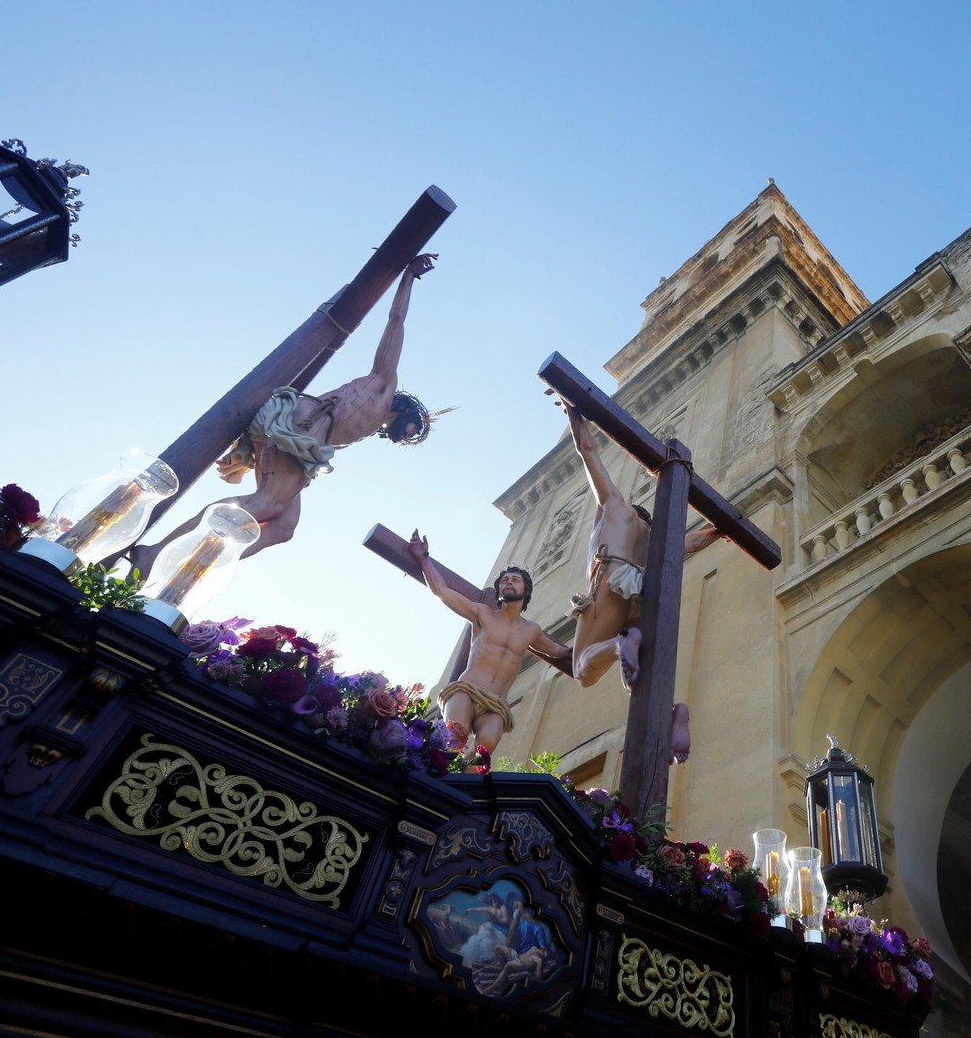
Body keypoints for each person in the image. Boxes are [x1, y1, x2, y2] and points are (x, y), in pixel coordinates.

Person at [129, 253, 441, 577]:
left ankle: (197, 568)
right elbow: (396, 319)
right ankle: (155, 553)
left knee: (284, 527)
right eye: (414, 428)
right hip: (300, 425)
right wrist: (409, 276)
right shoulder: (383, 382)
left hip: (303, 445)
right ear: (407, 412)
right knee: (265, 505)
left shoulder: (373, 423)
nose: (408, 436)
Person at [559, 403, 721, 763]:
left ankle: (620, 646)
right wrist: (722, 530)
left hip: (612, 577)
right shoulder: (656, 538)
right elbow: (692, 542)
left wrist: (573, 410)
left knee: (582, 669)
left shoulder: (615, 507)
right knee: (644, 671)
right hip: (644, 590)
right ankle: (670, 713)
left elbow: (588, 452)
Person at [410, 532, 573, 761]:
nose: (508, 583)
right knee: (454, 738)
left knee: (485, 749)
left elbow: (559, 651)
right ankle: (438, 771)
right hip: (466, 690)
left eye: (515, 580)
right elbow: (442, 591)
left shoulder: (531, 630)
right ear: (498, 591)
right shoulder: (483, 614)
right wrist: (423, 557)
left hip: (495, 703)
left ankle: (462, 782)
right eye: (505, 581)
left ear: (526, 591)